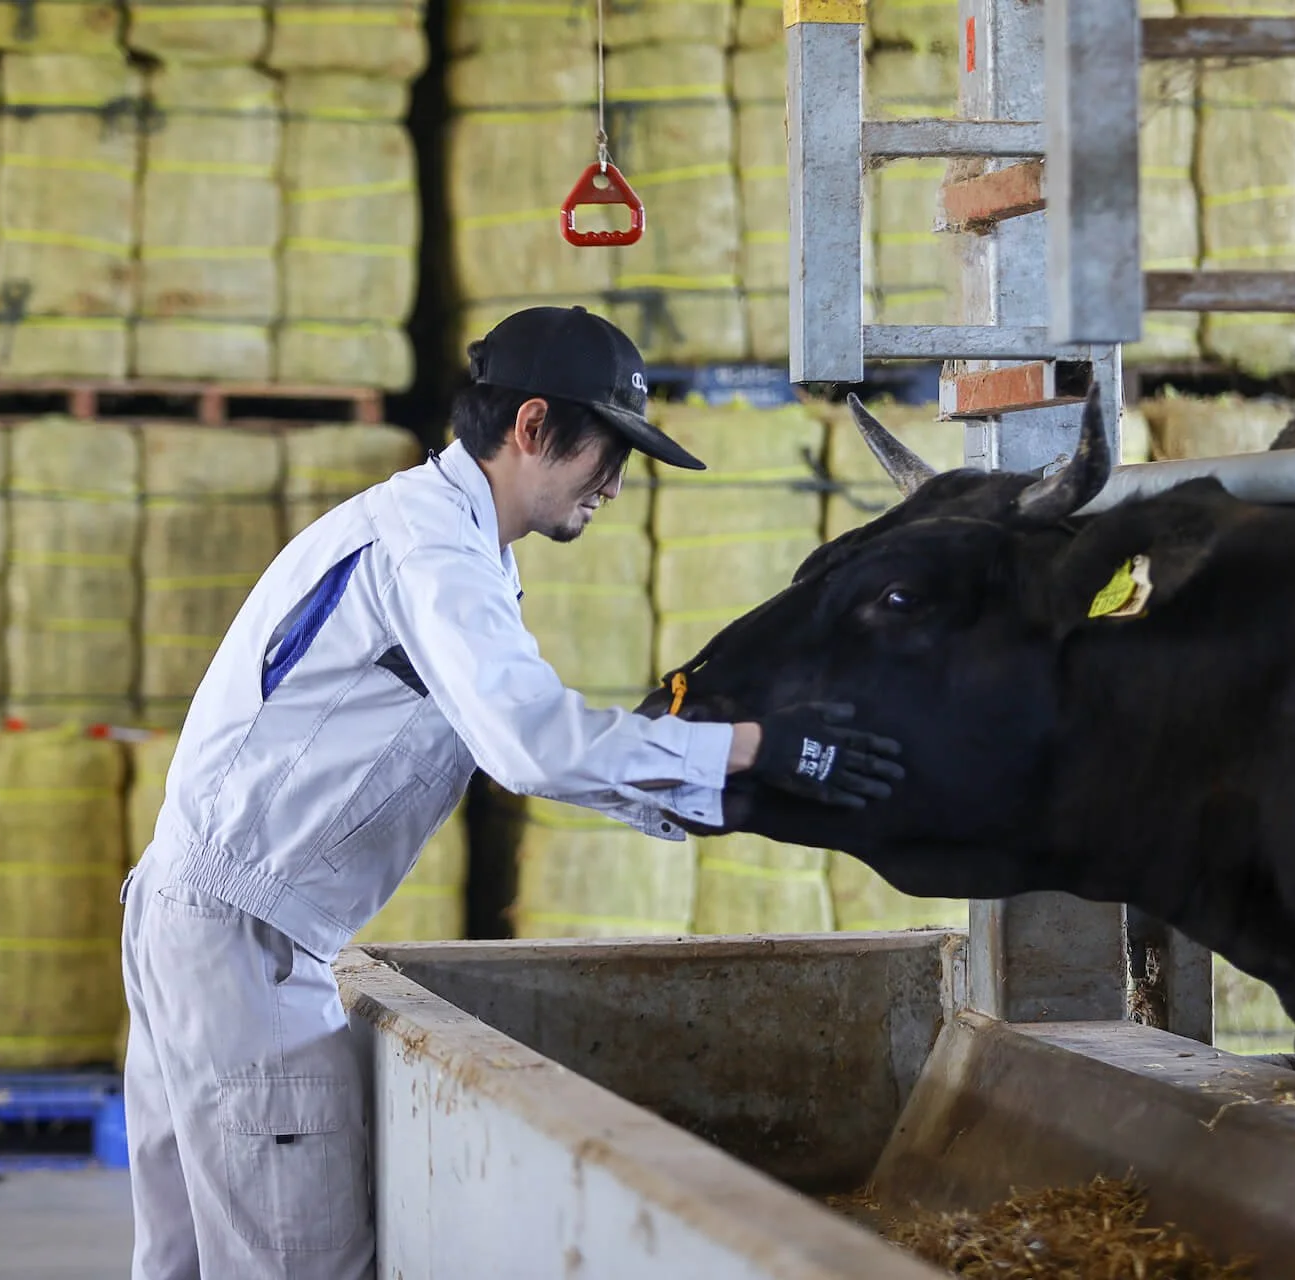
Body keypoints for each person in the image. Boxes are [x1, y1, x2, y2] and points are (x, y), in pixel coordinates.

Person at [118, 304, 907, 1280]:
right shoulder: (433, 551)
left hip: (206, 916)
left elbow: (520, 737)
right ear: (532, 426)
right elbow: (531, 742)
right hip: (244, 939)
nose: (617, 483)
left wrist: (733, 793)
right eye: (608, 451)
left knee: (189, 1260)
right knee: (296, 1258)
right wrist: (755, 747)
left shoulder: (444, 536)